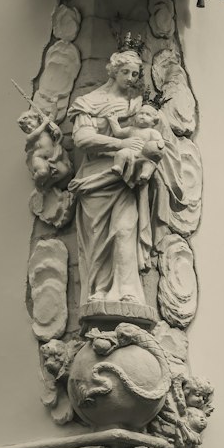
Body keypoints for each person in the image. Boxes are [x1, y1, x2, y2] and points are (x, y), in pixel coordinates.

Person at [67, 49, 183, 317]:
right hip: (96, 180)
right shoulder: (89, 102)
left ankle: (128, 291)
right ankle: (98, 292)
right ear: (112, 71)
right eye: (125, 72)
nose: (130, 78)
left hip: (127, 181)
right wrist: (121, 143)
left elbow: (155, 140)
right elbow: (83, 139)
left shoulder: (137, 106)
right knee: (98, 242)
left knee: (125, 231)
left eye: (135, 74)